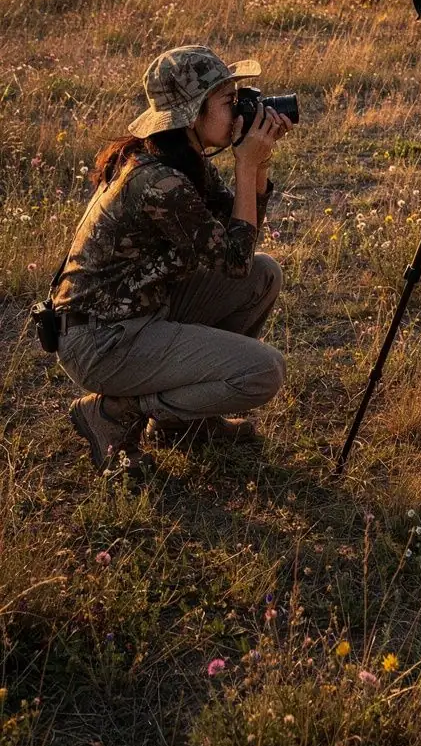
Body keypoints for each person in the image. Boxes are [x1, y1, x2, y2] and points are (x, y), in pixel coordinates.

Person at [53, 45, 291, 475]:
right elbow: (232, 259)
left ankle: (184, 421)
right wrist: (245, 166)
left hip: (141, 312)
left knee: (263, 275)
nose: (241, 110)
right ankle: (116, 411)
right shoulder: (158, 180)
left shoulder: (183, 159)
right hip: (102, 340)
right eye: (227, 101)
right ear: (192, 113)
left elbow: (239, 250)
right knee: (263, 371)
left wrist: (257, 167)